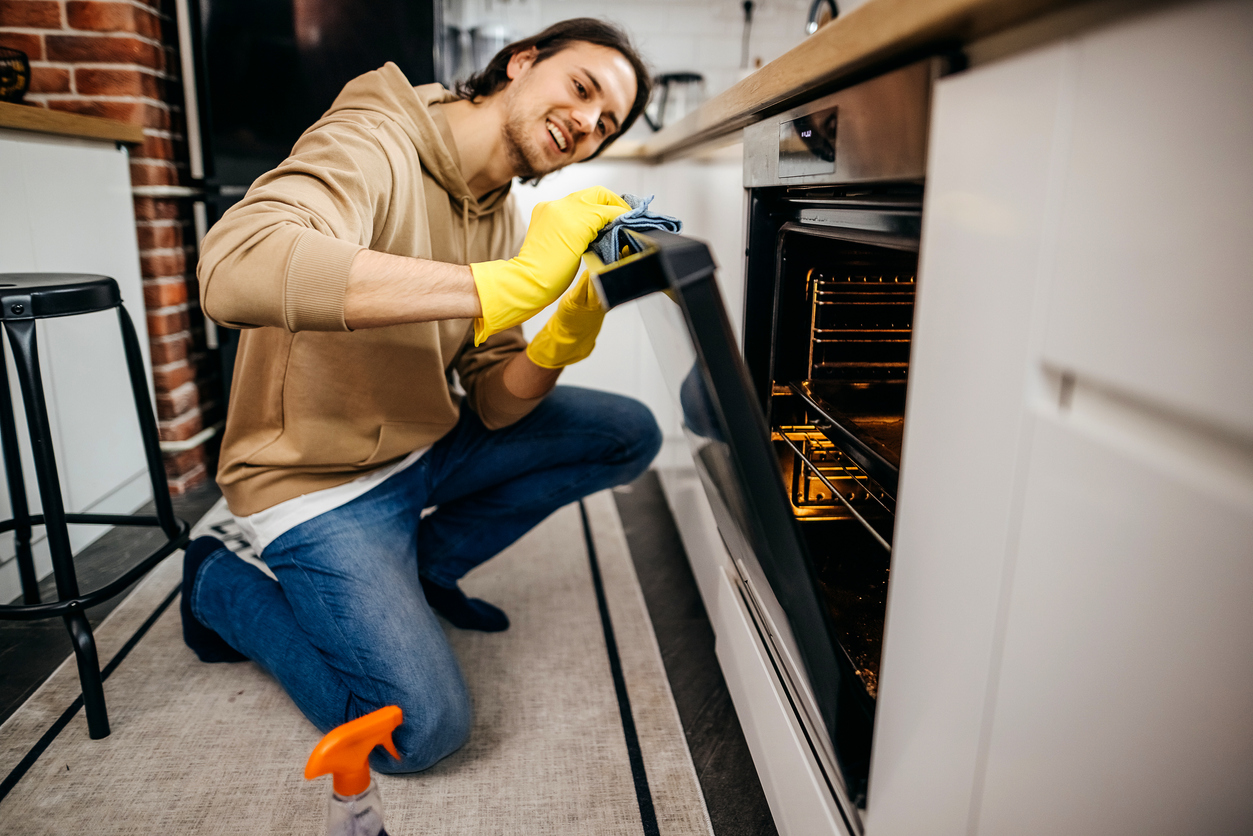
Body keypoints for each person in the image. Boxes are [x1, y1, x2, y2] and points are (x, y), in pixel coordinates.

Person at [183, 18, 660, 773]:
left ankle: (421, 569)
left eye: (606, 123)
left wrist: (560, 335)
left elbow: (497, 406)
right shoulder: (372, 137)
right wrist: (500, 285)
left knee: (626, 431)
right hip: (314, 480)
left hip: (420, 449)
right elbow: (237, 266)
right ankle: (217, 583)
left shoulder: (501, 211)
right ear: (520, 61)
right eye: (581, 88)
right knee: (419, 732)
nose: (586, 123)